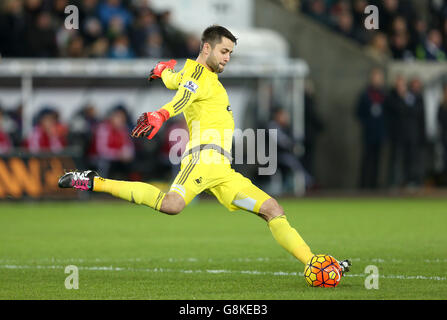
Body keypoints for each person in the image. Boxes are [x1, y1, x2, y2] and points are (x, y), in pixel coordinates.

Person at [58, 25, 351, 275]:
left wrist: (163, 72)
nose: (227, 58)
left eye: (230, 54)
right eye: (224, 51)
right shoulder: (198, 74)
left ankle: (313, 263)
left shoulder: (192, 71)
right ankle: (93, 180)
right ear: (207, 47)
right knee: (172, 205)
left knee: (272, 209)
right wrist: (161, 113)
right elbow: (183, 96)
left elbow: (177, 80)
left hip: (223, 170)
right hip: (202, 159)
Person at [356, 67, 387, 189]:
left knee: (377, 161)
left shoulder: (384, 95)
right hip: (368, 132)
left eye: (379, 78)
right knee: (366, 160)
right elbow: (358, 112)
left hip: (380, 132)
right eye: (375, 77)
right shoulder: (365, 95)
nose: (377, 80)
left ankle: (375, 187)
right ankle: (363, 186)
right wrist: (366, 122)